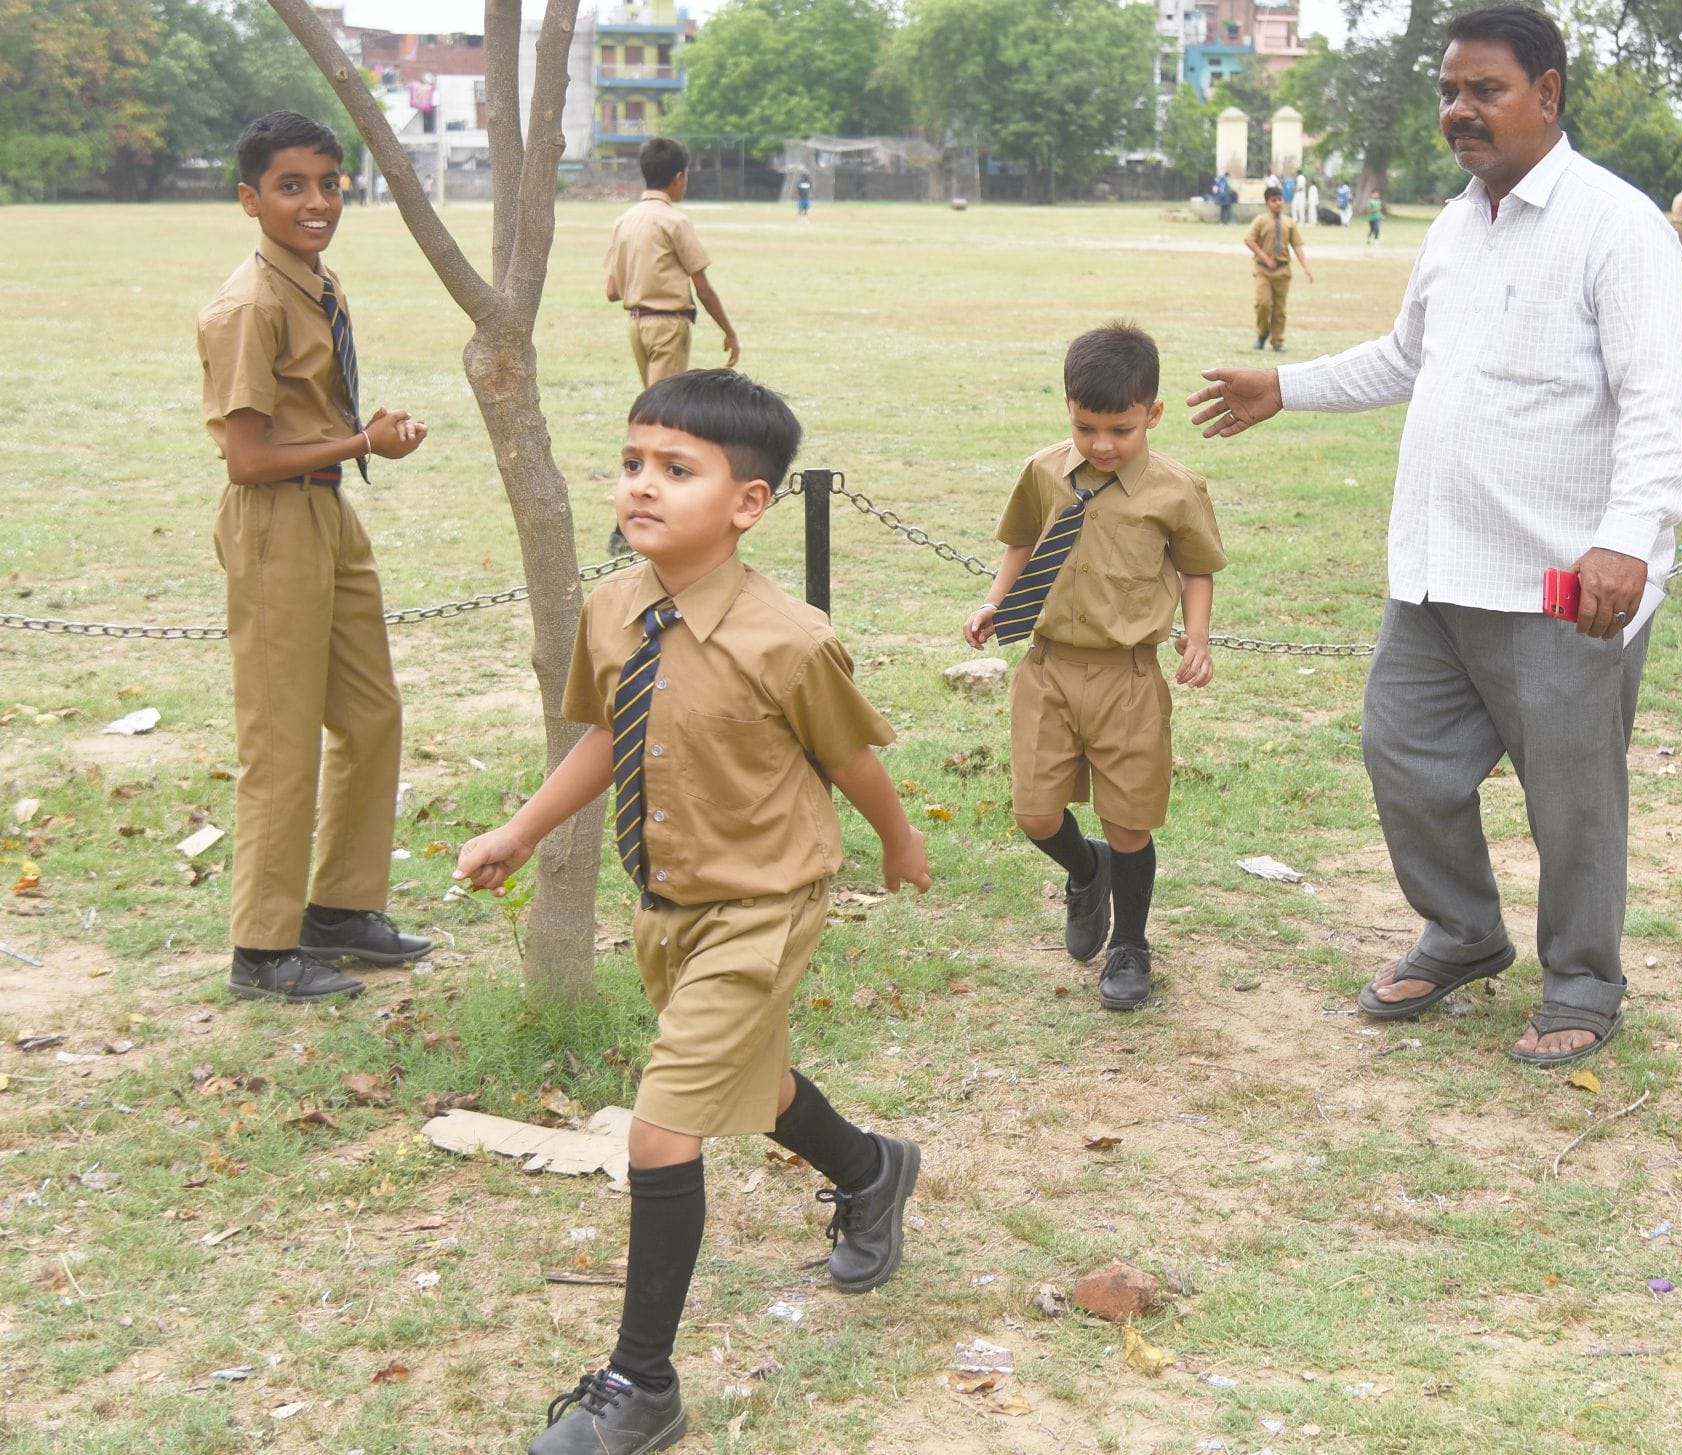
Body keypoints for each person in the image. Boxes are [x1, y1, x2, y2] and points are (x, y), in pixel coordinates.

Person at [1186, 4, 1682, 1066]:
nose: (1460, 110)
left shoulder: (1617, 224)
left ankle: (1584, 981)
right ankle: (1463, 934)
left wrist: (1627, 542)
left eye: (1485, 90)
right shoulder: (1460, 220)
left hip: (1562, 579)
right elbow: (1408, 356)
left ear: (1547, 93)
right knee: (1403, 756)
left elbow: (1654, 405)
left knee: (1571, 796)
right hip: (1437, 570)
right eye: (1449, 92)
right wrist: (1288, 385)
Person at [455, 370, 931, 1455]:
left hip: (763, 904)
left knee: (664, 1129)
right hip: (667, 904)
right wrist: (521, 832)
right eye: (633, 463)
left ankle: (641, 1384)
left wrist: (898, 841)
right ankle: (870, 1170)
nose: (642, 487)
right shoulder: (614, 606)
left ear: (748, 503)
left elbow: (849, 758)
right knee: (752, 1090)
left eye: (677, 469)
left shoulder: (790, 639)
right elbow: (602, 739)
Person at [198, 111, 433, 1004]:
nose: (317, 201)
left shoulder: (313, 281)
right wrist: (361, 443)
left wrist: (368, 437)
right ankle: (262, 949)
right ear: (250, 198)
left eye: (329, 183)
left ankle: (340, 908)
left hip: (329, 516)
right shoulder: (248, 304)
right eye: (292, 186)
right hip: (273, 525)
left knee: (371, 715)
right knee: (280, 739)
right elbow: (247, 457)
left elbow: (306, 422)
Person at [964, 325, 1226, 1011]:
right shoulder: (1045, 471)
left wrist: (1195, 638)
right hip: (1047, 667)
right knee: (1035, 811)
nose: (1102, 444)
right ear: (1067, 408)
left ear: (1153, 415)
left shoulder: (1176, 489)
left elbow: (1197, 568)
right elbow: (1022, 543)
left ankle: (1131, 946)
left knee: (1129, 821)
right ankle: (1087, 872)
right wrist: (994, 602)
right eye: (1086, 427)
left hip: (1128, 676)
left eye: (1121, 428)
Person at [606, 137, 741, 390]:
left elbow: (612, 291)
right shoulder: (675, 222)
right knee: (665, 408)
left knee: (652, 402)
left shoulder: (623, 221)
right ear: (679, 177)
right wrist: (729, 332)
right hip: (667, 325)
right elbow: (704, 289)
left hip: (636, 324)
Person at [1244, 184, 1315, 352]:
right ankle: (1262, 333)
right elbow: (1249, 240)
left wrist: (1306, 267)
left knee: (1279, 309)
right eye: (1273, 200)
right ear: (1267, 202)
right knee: (1263, 304)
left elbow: (1297, 246)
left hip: (1282, 271)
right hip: (1263, 270)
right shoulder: (1261, 221)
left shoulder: (1289, 223)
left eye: (1280, 200)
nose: (1278, 203)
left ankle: (1277, 341)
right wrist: (1265, 258)